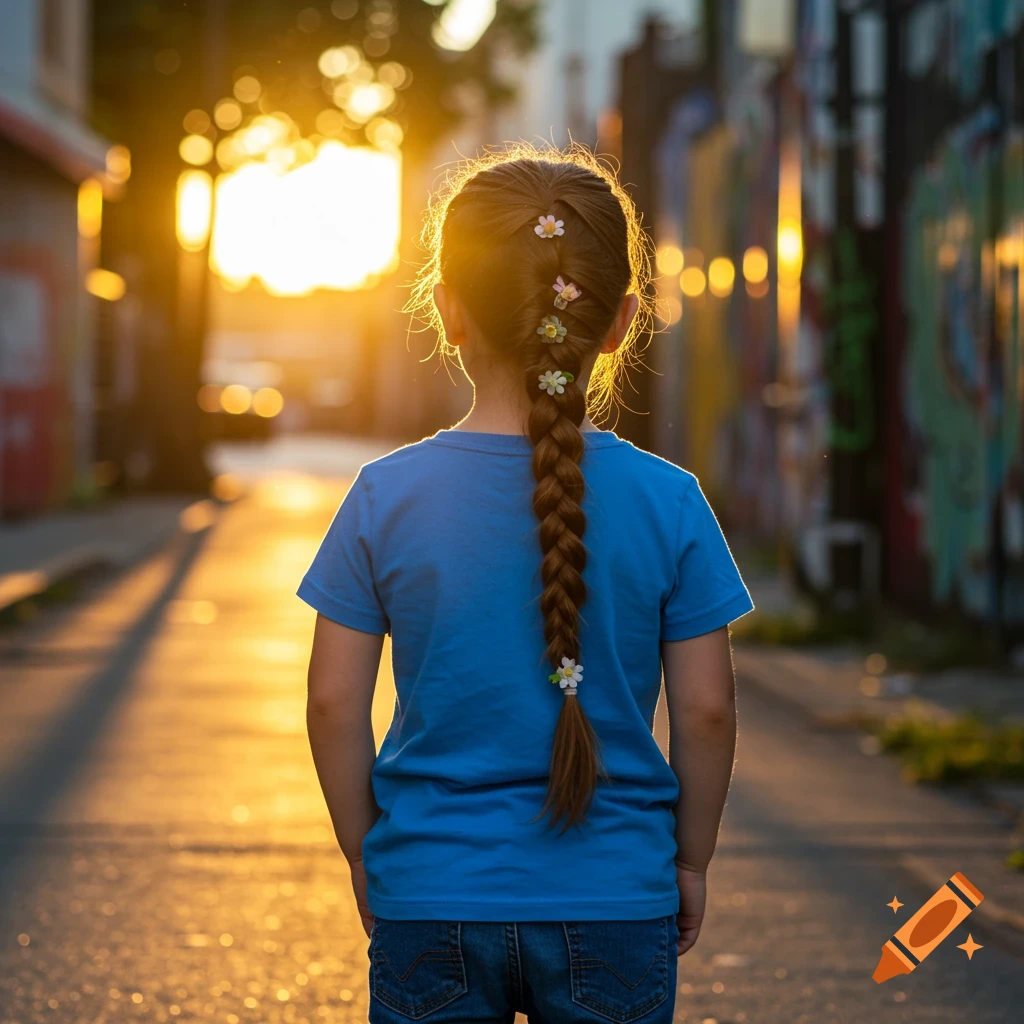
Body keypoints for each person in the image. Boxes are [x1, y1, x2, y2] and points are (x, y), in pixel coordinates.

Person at [300, 145, 753, 1024]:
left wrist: (370, 856)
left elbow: (330, 704)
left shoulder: (385, 496)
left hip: (430, 893)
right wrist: (688, 861)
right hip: (617, 898)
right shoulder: (672, 501)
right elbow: (706, 713)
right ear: (622, 320)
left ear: (450, 313)